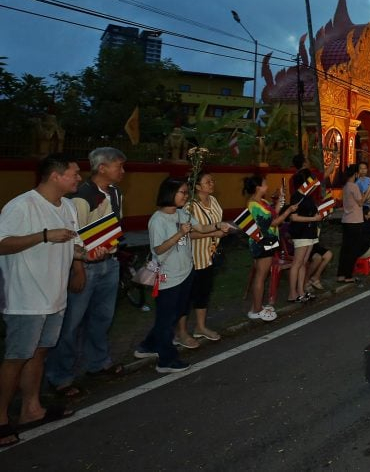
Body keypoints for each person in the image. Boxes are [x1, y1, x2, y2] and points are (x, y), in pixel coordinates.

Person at [0, 154, 81, 446]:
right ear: (56, 176)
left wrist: (87, 256)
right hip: (26, 297)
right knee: (17, 356)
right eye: (75, 173)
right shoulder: (22, 206)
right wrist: (45, 235)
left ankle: (31, 409)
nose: (79, 178)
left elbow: (74, 245)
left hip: (54, 295)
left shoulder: (69, 206)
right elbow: (2, 243)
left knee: (39, 353)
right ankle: (0, 418)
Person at [45, 147, 126, 397]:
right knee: (72, 323)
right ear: (102, 168)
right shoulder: (81, 196)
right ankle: (61, 377)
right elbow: (74, 236)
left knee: (102, 318)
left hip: (109, 262)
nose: (122, 171)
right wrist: (77, 268)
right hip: (85, 266)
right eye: (118, 166)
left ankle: (98, 363)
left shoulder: (114, 192)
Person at [134, 178, 229, 373]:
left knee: (175, 313)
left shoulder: (183, 213)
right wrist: (179, 234)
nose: (186, 196)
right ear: (169, 194)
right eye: (182, 193)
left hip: (186, 272)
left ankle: (148, 345)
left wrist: (219, 225)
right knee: (166, 319)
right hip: (168, 276)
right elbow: (158, 249)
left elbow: (201, 228)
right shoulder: (157, 220)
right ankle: (166, 361)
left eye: (186, 193)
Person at [179, 171, 229, 343]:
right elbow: (187, 235)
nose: (212, 184)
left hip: (209, 255)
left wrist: (220, 232)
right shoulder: (189, 207)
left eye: (212, 181)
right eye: (207, 182)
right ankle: (182, 332)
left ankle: (200, 327)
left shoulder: (213, 201)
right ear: (198, 186)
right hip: (193, 258)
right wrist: (215, 232)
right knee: (186, 297)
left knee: (203, 293)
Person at [242, 174, 298, 320]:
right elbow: (272, 223)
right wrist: (288, 211)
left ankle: (256, 306)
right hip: (261, 243)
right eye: (265, 183)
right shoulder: (253, 205)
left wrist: (280, 201)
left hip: (270, 241)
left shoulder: (262, 201)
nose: (267, 185)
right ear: (257, 187)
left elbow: (274, 213)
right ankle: (256, 309)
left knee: (263, 274)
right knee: (261, 276)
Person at [287, 159, 323, 303]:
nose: (313, 181)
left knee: (303, 263)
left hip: (310, 233)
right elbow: (294, 217)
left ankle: (301, 291)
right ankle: (292, 293)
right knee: (297, 263)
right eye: (311, 179)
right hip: (302, 233)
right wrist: (313, 219)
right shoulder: (297, 196)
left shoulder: (307, 196)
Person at [336, 164, 370, 284]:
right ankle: (348, 276)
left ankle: (341, 275)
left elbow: (360, 200)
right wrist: (369, 190)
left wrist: (368, 194)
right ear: (355, 174)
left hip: (347, 220)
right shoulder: (353, 186)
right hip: (355, 221)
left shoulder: (346, 186)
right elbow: (360, 203)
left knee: (345, 249)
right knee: (352, 250)